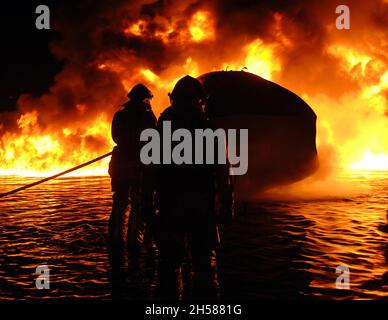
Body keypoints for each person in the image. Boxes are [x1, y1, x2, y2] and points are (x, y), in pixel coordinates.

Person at [155, 75, 233, 299]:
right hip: (202, 205)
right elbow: (223, 170)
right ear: (201, 100)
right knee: (204, 265)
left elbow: (151, 170)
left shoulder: (163, 129)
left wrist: (146, 205)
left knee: (169, 264)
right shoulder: (210, 129)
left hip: (170, 204)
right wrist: (227, 205)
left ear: (174, 99)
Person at [108, 83, 157, 252]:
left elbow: (116, 138)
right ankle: (134, 242)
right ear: (145, 99)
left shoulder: (119, 116)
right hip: (139, 166)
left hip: (120, 165)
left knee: (120, 203)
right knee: (139, 203)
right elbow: (153, 140)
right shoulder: (148, 117)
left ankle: (115, 240)